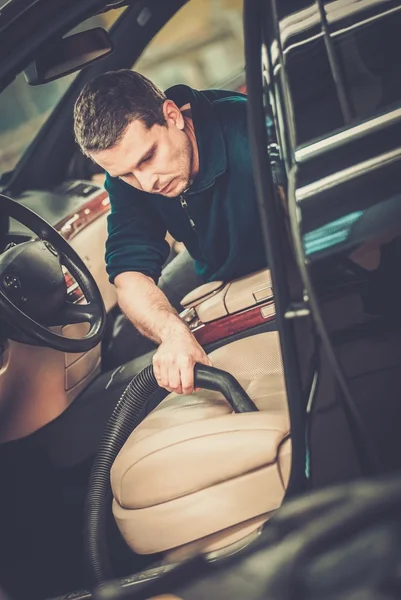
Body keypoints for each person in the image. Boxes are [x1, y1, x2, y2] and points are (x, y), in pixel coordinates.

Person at [73, 70, 268, 395]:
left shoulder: (251, 131)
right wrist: (172, 332)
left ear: (172, 115)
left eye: (148, 157)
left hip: (267, 271)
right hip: (209, 262)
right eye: (126, 174)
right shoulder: (130, 173)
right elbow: (129, 274)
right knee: (124, 342)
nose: (147, 183)